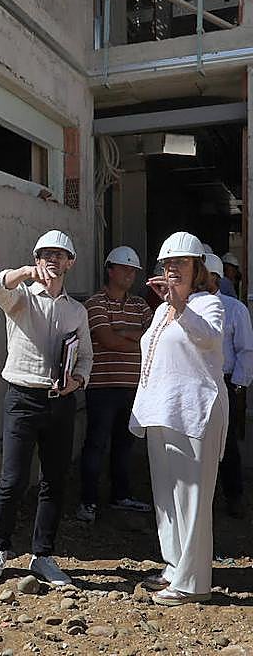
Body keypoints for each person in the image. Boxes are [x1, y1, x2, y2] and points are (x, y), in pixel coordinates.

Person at [0, 230, 93, 586]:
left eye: (60, 255)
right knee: (12, 481)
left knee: (54, 482)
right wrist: (26, 272)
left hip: (60, 403)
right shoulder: (21, 300)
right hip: (22, 399)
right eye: (45, 254)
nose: (52, 260)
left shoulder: (77, 310)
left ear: (70, 262)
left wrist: (77, 381)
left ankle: (42, 556)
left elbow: (86, 357)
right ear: (37, 258)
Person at [130, 232, 227, 607]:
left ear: (197, 268)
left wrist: (181, 306)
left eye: (181, 263)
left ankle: (193, 581)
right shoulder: (159, 310)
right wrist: (171, 306)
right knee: (166, 497)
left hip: (196, 410)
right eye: (168, 264)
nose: (173, 269)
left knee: (192, 498)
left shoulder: (208, 305)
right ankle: (174, 567)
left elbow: (208, 338)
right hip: (162, 409)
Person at [76, 246, 153, 523]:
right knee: (96, 443)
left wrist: (123, 333)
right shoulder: (95, 304)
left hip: (134, 388)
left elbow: (153, 341)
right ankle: (88, 501)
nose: (130, 274)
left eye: (133, 271)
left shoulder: (140, 305)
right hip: (102, 387)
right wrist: (135, 338)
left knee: (124, 443)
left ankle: (121, 495)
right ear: (110, 269)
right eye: (125, 269)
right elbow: (107, 340)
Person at [205, 253, 251, 517]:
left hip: (223, 381)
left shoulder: (234, 309)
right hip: (196, 382)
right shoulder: (185, 307)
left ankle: (233, 495)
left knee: (227, 442)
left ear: (215, 278)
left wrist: (238, 385)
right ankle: (203, 498)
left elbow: (245, 349)